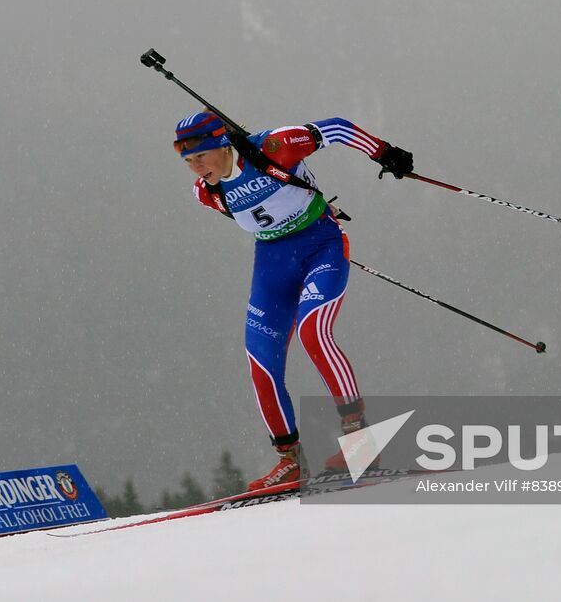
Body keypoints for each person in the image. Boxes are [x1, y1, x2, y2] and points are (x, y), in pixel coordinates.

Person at [173, 110, 413, 490]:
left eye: (199, 157)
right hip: (272, 265)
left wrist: (383, 152)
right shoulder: (207, 193)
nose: (195, 168)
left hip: (321, 247)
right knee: (260, 359)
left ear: (222, 144)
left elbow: (336, 128)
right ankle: (290, 459)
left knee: (313, 332)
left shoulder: (273, 146)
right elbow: (258, 214)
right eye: (187, 162)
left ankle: (361, 441)